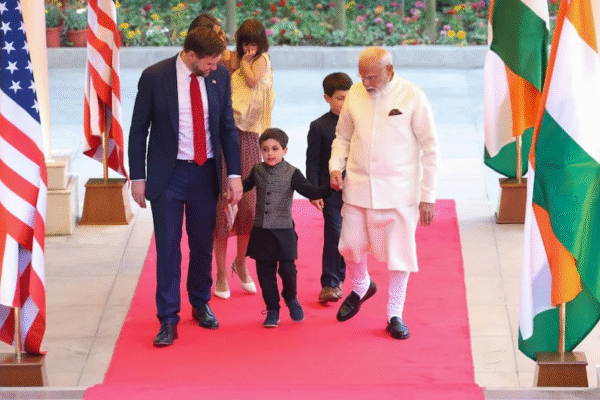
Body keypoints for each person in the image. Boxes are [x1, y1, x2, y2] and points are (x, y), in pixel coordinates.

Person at [128, 27, 243, 347]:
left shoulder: (220, 76)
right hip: (168, 175)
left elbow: (227, 127)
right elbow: (138, 130)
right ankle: (167, 318)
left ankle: (200, 302)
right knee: (168, 248)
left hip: (205, 173)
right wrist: (138, 177)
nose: (214, 67)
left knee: (202, 244)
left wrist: (234, 174)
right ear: (191, 55)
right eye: (209, 62)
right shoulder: (155, 77)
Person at [329, 47, 440, 340]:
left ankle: (394, 313)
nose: (365, 83)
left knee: (399, 256)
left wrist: (427, 195)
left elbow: (431, 148)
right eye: (361, 76)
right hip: (358, 186)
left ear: (389, 70)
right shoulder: (355, 94)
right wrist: (335, 166)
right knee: (349, 245)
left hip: (399, 191)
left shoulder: (412, 95)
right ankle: (361, 286)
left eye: (372, 77)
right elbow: (342, 136)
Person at [243, 128, 333, 328]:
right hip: (261, 231)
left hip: (284, 231)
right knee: (265, 273)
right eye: (265, 149)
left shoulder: (292, 172)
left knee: (288, 271)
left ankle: (291, 299)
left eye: (275, 149)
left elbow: (310, 191)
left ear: (285, 150)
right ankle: (272, 308)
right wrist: (227, 187)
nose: (270, 153)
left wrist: (330, 188)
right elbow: (244, 186)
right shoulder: (257, 170)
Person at [212, 18, 274, 300]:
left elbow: (253, 81)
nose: (249, 48)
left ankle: (241, 264)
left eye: (254, 43)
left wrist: (246, 62)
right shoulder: (228, 59)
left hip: (249, 136)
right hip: (224, 134)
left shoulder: (260, 61)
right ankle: (221, 272)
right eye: (244, 43)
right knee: (222, 204)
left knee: (249, 206)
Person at [306, 72, 353, 304]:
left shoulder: (358, 123)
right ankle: (330, 282)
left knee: (350, 236)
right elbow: (313, 161)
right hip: (331, 190)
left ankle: (340, 278)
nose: (344, 103)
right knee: (334, 233)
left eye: (348, 97)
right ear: (327, 98)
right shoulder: (319, 126)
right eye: (339, 98)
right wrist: (314, 191)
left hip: (357, 189)